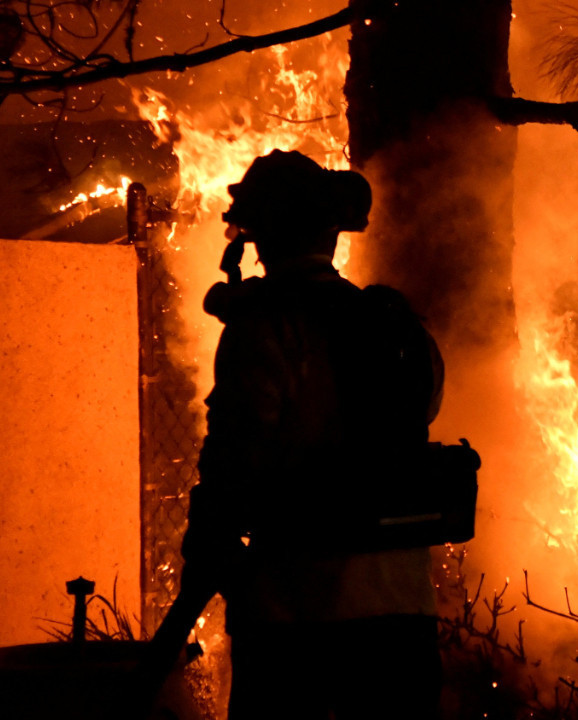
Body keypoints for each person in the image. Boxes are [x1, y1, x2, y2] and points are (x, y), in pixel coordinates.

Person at [179, 150, 444, 719]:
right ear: (331, 236)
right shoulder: (393, 324)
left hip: (298, 620)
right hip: (404, 615)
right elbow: (423, 412)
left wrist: (204, 552)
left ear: (258, 240)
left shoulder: (266, 327)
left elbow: (233, 460)